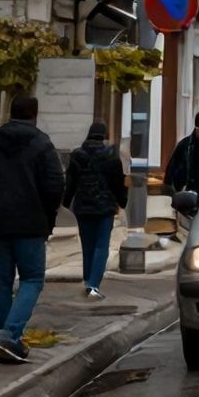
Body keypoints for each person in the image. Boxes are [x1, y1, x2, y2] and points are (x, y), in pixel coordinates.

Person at [0, 94, 64, 366]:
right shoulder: (42, 144)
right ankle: (10, 334)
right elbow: (55, 186)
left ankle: (1, 337)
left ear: (10, 112)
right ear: (34, 114)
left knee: (2, 283)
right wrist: (46, 216)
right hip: (31, 225)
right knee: (32, 280)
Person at [63, 122, 127, 300]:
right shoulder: (111, 157)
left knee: (87, 245)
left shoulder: (77, 155)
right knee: (101, 246)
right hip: (105, 207)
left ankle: (87, 280)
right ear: (104, 136)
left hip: (83, 207)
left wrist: (65, 202)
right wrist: (122, 201)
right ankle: (93, 285)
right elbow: (117, 183)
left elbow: (71, 183)